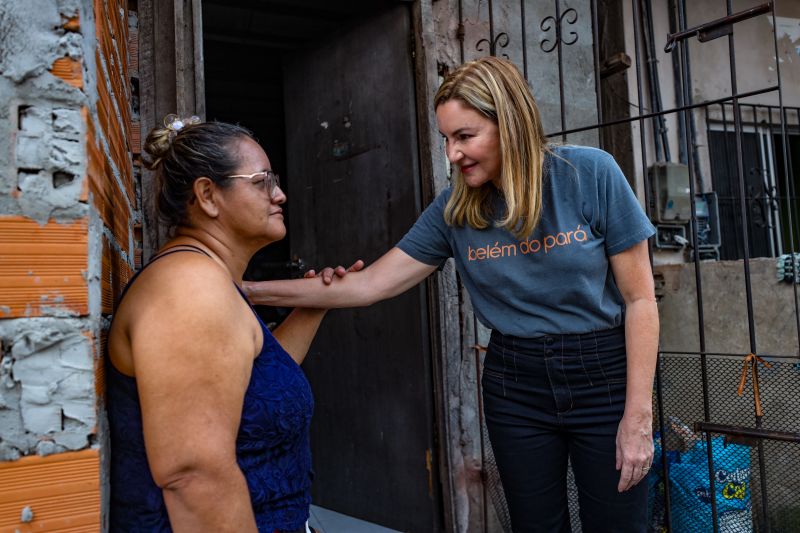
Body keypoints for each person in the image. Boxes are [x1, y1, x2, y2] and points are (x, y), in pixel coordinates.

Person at [244, 56, 658, 532]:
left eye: (465, 136)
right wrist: (246, 289)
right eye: (446, 139)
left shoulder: (590, 174)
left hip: (603, 373)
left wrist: (638, 417)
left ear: (511, 124)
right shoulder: (454, 209)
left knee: (619, 524)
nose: (452, 154)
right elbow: (370, 284)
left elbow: (640, 301)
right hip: (516, 381)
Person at [107, 115, 330, 532]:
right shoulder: (189, 289)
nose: (279, 194)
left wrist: (314, 304)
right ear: (208, 195)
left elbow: (256, 381)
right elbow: (194, 477)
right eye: (262, 181)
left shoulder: (208, 279)